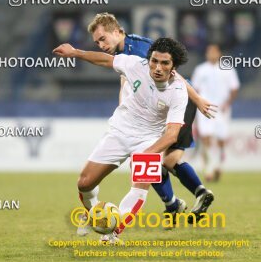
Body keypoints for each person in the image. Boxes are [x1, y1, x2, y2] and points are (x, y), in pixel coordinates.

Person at [53, 38, 189, 245]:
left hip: (150, 139)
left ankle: (112, 235)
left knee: (140, 186)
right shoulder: (136, 64)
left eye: (164, 63)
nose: (157, 67)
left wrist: (148, 153)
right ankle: (94, 214)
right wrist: (75, 52)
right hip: (119, 131)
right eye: (154, 61)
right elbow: (105, 60)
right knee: (85, 183)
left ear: (174, 67)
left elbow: (171, 135)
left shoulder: (178, 92)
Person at [86, 13, 216, 226]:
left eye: (103, 39)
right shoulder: (124, 52)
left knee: (151, 157)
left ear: (117, 32)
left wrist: (198, 99)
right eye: (97, 42)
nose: (101, 45)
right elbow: (127, 84)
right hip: (163, 107)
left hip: (178, 103)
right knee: (162, 160)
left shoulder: (138, 48)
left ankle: (179, 200)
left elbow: (176, 76)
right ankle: (188, 197)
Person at [192, 44, 240, 182]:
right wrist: (199, 103)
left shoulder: (228, 69)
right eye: (209, 52)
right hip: (205, 108)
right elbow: (195, 89)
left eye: (214, 52)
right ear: (207, 54)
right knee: (205, 137)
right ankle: (208, 170)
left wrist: (228, 103)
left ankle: (219, 166)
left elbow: (234, 88)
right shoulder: (200, 70)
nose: (212, 54)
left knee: (221, 140)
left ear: (219, 53)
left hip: (222, 109)